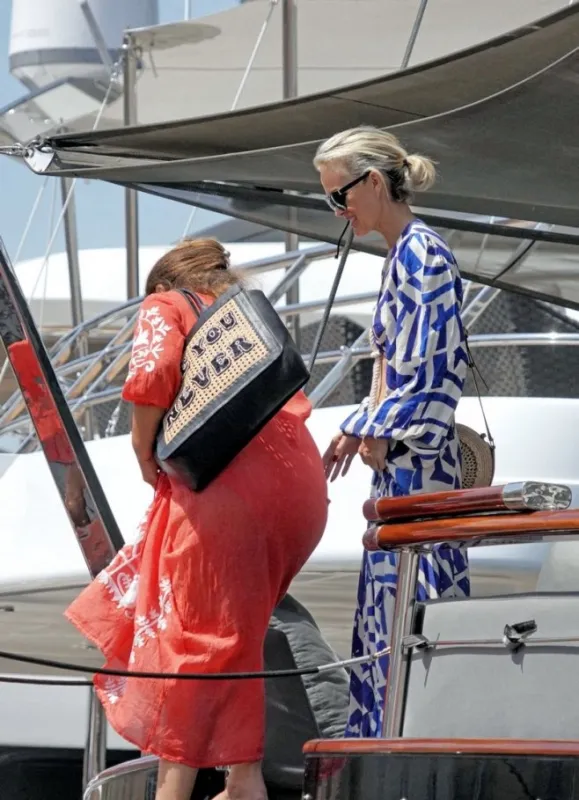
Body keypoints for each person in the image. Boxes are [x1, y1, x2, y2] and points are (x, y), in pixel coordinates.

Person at [65, 238, 328, 800]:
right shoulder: (238, 311)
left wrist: (145, 453)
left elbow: (154, 369)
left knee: (188, 639)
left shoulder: (167, 303)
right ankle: (242, 782)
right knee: (234, 636)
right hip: (298, 486)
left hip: (227, 489)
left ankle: (174, 790)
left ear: (164, 282)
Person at [314, 126, 470, 738]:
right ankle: (392, 741)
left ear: (373, 182)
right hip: (401, 473)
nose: (337, 210)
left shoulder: (423, 255)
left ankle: (416, 743)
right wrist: (367, 429)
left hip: (419, 475)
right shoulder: (403, 255)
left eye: (338, 196)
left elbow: (434, 373)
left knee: (416, 622)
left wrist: (365, 424)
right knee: (392, 625)